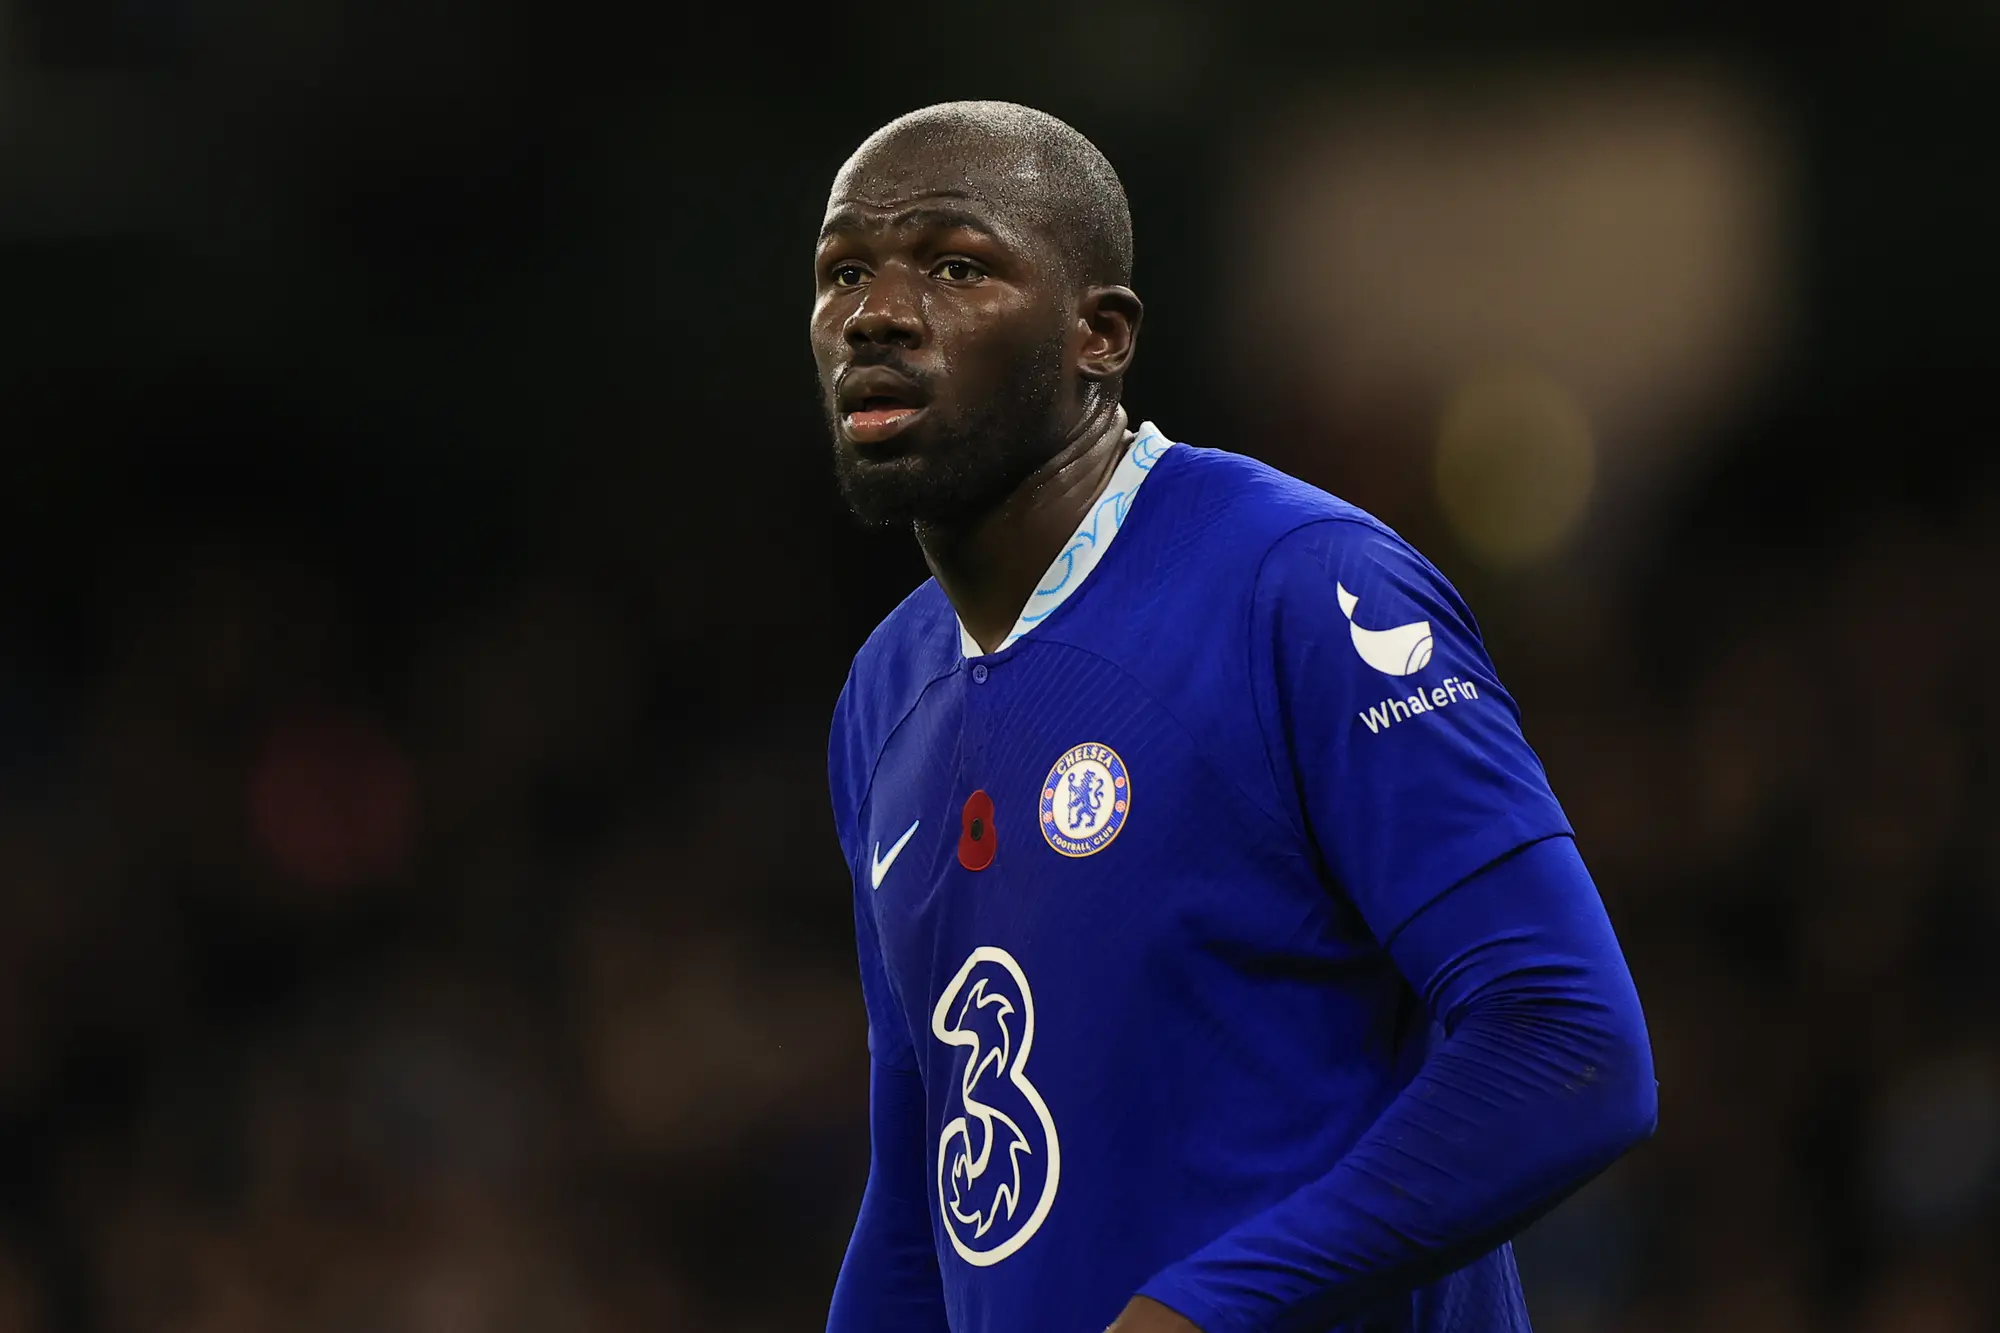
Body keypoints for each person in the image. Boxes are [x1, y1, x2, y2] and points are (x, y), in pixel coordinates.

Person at [813, 101, 1656, 1333]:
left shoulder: (1303, 585)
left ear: (1098, 335)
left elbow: (1568, 1044)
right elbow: (914, 1202)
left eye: (954, 266)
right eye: (844, 272)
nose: (876, 314)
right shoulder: (884, 696)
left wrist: (1201, 1313)